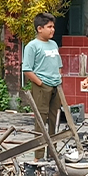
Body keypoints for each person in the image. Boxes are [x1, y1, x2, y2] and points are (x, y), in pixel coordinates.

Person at [22, 13, 66, 161]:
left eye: (53, 26)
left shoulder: (53, 44)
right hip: (41, 86)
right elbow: (27, 69)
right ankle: (38, 156)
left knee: (55, 119)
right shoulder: (32, 46)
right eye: (49, 27)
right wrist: (41, 83)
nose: (52, 29)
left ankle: (52, 153)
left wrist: (58, 78)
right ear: (40, 28)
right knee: (41, 120)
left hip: (56, 86)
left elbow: (59, 65)